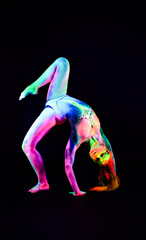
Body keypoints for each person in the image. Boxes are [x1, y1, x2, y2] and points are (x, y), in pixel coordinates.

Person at [19, 57, 120, 196]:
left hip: (55, 112)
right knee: (63, 62)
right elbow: (112, 159)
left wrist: (77, 192)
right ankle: (34, 86)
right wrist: (111, 174)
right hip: (60, 96)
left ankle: (43, 183)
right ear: (106, 149)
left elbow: (68, 166)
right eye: (102, 155)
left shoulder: (79, 138)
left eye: (96, 159)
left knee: (27, 145)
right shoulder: (100, 135)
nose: (97, 155)